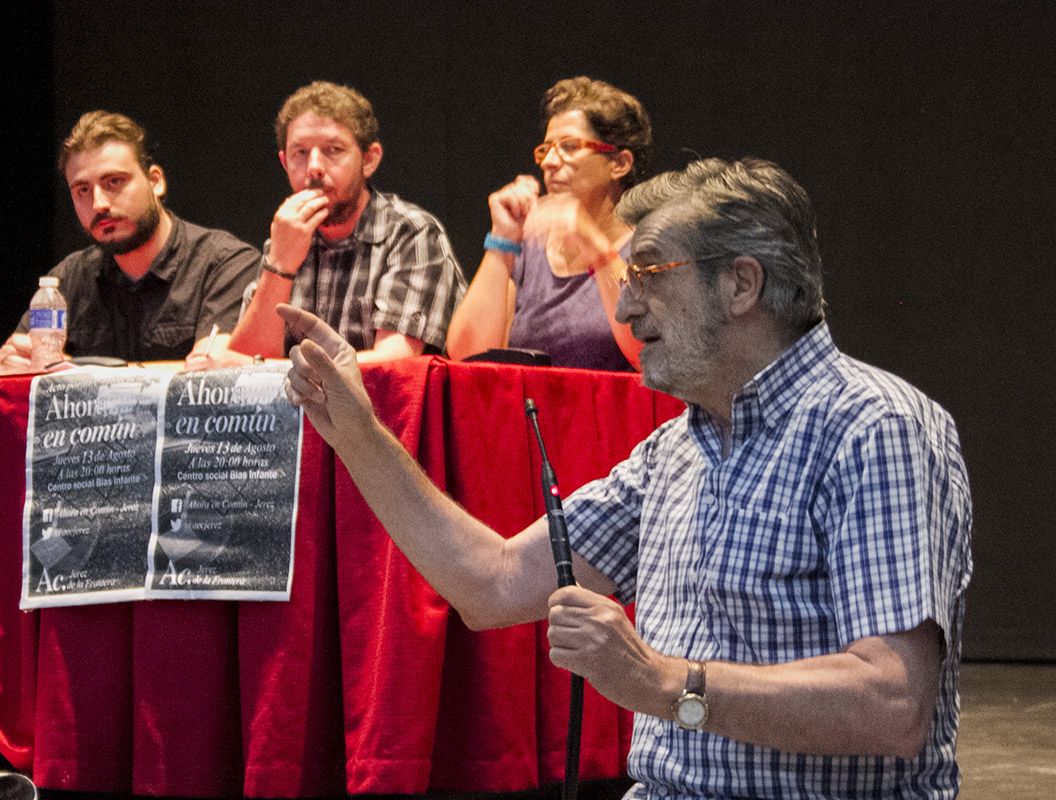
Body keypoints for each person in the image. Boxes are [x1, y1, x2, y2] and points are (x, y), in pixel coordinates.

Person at [277, 158, 972, 798]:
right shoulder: (677, 450)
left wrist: (663, 682)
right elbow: (492, 584)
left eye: (649, 275)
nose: (625, 308)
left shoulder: (873, 429)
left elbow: (892, 703)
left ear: (741, 283)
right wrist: (359, 433)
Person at [186, 81, 465, 369]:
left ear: (369, 159)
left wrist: (273, 369)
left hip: (380, 399)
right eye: (300, 153)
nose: (314, 167)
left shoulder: (410, 232)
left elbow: (396, 363)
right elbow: (249, 359)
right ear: (284, 162)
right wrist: (279, 265)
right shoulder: (285, 239)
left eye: (333, 150)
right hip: (297, 399)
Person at [0, 111, 259, 375]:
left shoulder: (224, 264)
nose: (99, 204)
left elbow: (212, 374)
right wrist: (0, 370)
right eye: (83, 190)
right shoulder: (68, 278)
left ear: (155, 181)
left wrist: (75, 374)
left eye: (114, 182)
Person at [445, 76, 650, 371]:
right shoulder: (531, 249)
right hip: (532, 403)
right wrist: (503, 240)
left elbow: (649, 354)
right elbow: (468, 355)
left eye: (569, 146)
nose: (549, 162)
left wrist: (594, 245)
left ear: (619, 163)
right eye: (546, 149)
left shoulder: (650, 248)